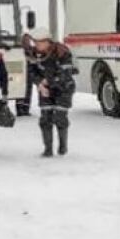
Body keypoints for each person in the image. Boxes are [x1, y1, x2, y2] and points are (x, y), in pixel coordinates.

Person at [29, 27, 78, 157]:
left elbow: (65, 75)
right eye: (35, 42)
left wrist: (48, 82)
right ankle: (48, 149)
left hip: (64, 89)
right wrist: (40, 84)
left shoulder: (62, 52)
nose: (37, 45)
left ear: (47, 41)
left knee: (60, 118)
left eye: (39, 42)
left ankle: (63, 147)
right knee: (45, 118)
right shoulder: (34, 54)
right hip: (45, 90)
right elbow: (31, 72)